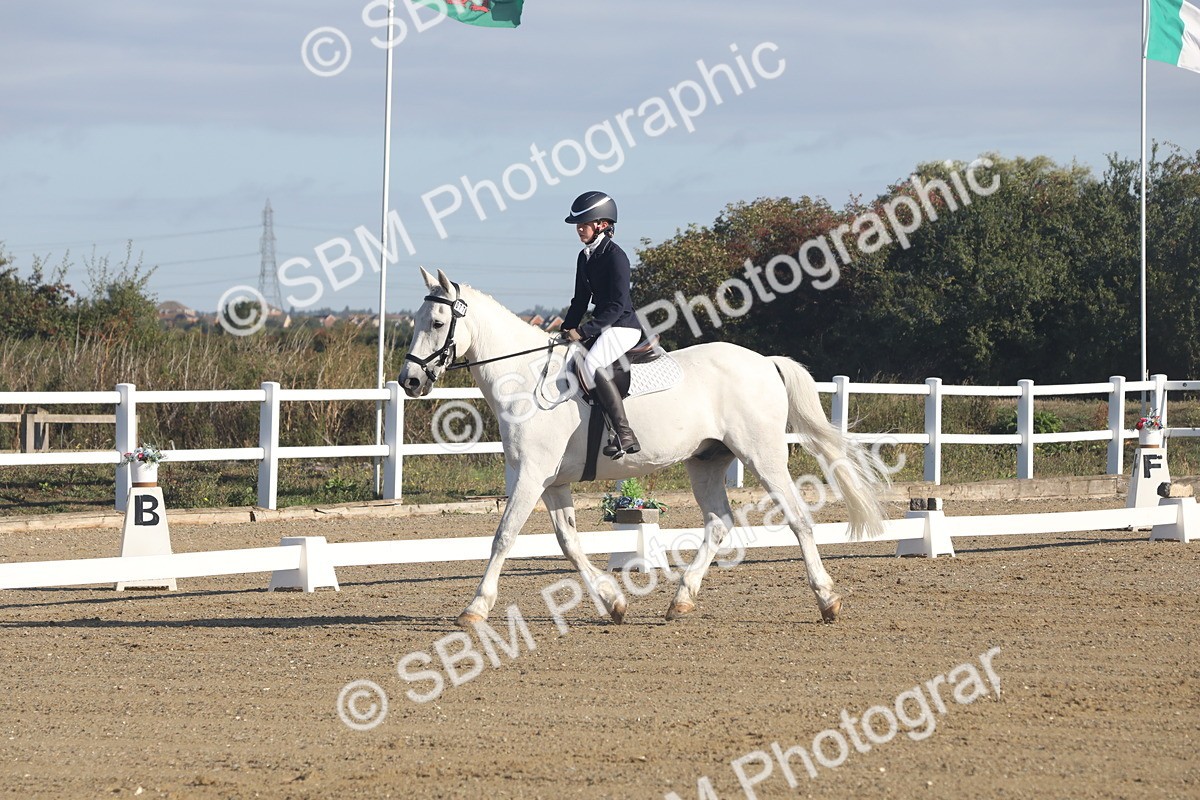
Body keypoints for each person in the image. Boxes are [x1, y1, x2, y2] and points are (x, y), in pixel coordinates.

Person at [560, 191, 642, 458]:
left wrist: (584, 331)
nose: (579, 229)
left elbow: (617, 306)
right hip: (603, 326)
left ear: (602, 224)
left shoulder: (616, 257)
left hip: (623, 326)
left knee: (592, 364)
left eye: (584, 224)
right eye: (578, 225)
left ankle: (624, 432)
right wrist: (564, 329)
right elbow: (580, 301)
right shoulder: (584, 257)